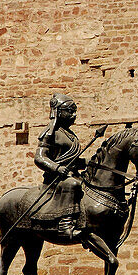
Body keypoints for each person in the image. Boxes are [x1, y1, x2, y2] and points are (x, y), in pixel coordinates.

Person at [32, 94, 89, 240]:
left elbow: (71, 160)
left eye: (75, 111)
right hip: (56, 178)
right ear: (58, 111)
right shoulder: (50, 133)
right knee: (73, 184)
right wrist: (57, 168)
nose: (74, 115)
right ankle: (65, 225)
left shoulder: (69, 134)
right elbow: (40, 157)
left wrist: (88, 162)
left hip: (71, 173)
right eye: (70, 111)